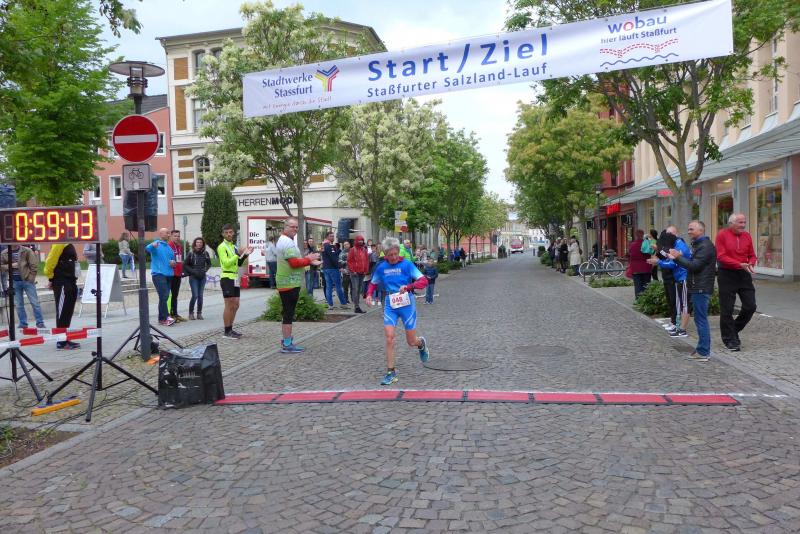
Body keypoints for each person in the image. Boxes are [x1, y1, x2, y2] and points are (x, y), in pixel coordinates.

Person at [366, 237, 430, 385]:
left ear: (398, 251)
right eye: (390, 255)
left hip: (407, 303)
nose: (394, 257)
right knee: (389, 338)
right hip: (390, 303)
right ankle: (391, 372)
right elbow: (373, 283)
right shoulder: (382, 267)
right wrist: (369, 294)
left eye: (395, 254)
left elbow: (424, 281)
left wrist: (408, 287)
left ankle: (421, 343)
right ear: (385, 254)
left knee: (411, 341)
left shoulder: (407, 264)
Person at [669, 220, 717, 362]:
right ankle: (702, 350)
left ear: (701, 230)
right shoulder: (698, 244)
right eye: (689, 229)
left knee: (701, 320)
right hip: (698, 286)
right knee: (699, 319)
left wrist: (678, 257)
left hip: (701, 287)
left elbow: (694, 266)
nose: (689, 231)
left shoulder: (705, 246)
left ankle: (703, 352)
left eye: (692, 229)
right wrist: (678, 258)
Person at [275, 218, 321, 352]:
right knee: (288, 314)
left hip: (289, 282)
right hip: (288, 282)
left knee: (288, 313)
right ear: (285, 227)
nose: (295, 229)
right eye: (292, 226)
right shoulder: (287, 242)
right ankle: (287, 344)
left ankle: (286, 341)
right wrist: (308, 259)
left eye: (296, 227)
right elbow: (294, 263)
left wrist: (309, 261)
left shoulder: (287, 240)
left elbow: (294, 260)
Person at [715, 213, 757, 352]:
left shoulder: (747, 236)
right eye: (740, 222)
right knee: (727, 309)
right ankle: (729, 340)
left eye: (744, 222)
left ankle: (733, 330)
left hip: (744, 274)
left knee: (750, 306)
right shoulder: (722, 235)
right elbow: (721, 256)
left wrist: (751, 263)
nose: (743, 225)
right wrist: (739, 264)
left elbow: (752, 255)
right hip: (726, 274)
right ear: (731, 223)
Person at [649, 226, 691, 337]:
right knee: (678, 304)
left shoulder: (680, 245)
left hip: (683, 277)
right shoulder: (675, 244)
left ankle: (682, 329)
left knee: (684, 304)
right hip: (678, 277)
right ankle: (677, 325)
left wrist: (659, 262)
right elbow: (670, 259)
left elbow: (672, 263)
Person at [217, 223, 252, 339]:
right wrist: (238, 254)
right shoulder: (222, 247)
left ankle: (230, 329)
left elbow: (238, 263)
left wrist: (245, 255)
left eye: (230, 232)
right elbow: (226, 263)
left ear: (233, 233)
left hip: (235, 277)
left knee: (236, 304)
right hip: (227, 277)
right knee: (229, 304)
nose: (229, 234)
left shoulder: (233, 246)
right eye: (226, 233)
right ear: (223, 234)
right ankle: (227, 331)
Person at [1, 245, 46, 329]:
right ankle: (23, 323)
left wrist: (30, 279)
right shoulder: (4, 253)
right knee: (18, 304)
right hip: (14, 282)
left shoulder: (27, 250)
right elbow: (1, 266)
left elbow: (34, 265)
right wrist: (11, 265)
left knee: (35, 303)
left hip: (27, 281)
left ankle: (40, 322)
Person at [44, 243, 80, 349]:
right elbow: (50, 262)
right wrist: (51, 278)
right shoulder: (59, 243)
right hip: (62, 282)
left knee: (68, 311)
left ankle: (65, 338)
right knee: (62, 312)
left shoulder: (68, 244)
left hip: (71, 281)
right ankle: (61, 342)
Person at [146, 228, 176, 326]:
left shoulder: (169, 248)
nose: (169, 234)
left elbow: (173, 261)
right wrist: (152, 245)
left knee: (164, 297)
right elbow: (147, 248)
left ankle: (162, 319)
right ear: (161, 234)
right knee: (164, 296)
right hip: (158, 274)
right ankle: (165, 317)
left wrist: (173, 263)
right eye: (167, 233)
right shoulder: (156, 244)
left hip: (169, 275)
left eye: (169, 233)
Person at [656, 229, 679, 332]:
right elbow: (662, 255)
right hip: (666, 276)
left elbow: (672, 261)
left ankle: (675, 322)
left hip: (673, 277)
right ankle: (673, 321)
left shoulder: (677, 244)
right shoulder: (665, 242)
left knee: (674, 301)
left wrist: (659, 261)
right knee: (670, 300)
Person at [184, 237, 211, 320]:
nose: (199, 244)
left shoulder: (205, 253)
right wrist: (193, 271)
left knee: (200, 296)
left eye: (200, 242)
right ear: (195, 243)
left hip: (202, 277)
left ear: (203, 244)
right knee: (195, 295)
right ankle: (191, 313)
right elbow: (185, 264)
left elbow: (209, 264)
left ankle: (199, 313)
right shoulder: (191, 253)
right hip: (193, 277)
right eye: (197, 242)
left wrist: (205, 270)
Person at [321, 231, 347, 310]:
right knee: (338, 286)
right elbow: (333, 258)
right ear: (327, 237)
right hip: (333, 268)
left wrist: (337, 250)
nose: (333, 237)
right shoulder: (329, 246)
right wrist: (340, 267)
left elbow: (329, 256)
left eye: (333, 236)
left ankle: (330, 305)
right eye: (331, 236)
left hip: (326, 268)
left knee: (328, 287)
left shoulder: (323, 245)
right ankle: (343, 304)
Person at [347, 235, 369, 313]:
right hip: (355, 273)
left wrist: (366, 270)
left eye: (362, 240)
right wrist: (353, 271)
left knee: (359, 290)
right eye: (359, 240)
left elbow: (366, 260)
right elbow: (349, 261)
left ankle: (357, 306)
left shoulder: (364, 250)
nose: (361, 241)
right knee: (355, 289)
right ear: (356, 241)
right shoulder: (352, 250)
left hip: (362, 273)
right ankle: (356, 306)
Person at [628, 230, 652, 298]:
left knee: (637, 285)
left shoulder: (632, 245)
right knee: (646, 285)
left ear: (636, 235)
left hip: (635, 268)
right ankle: (646, 299)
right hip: (646, 267)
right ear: (643, 235)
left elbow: (629, 255)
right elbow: (650, 253)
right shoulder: (647, 244)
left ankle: (638, 300)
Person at [168, 229, 185, 322]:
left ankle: (175, 313)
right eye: (175, 236)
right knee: (170, 295)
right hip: (171, 274)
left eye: (178, 236)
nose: (177, 238)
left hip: (178, 273)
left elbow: (179, 260)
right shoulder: (169, 246)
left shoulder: (179, 246)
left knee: (175, 295)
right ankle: (170, 314)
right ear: (171, 236)